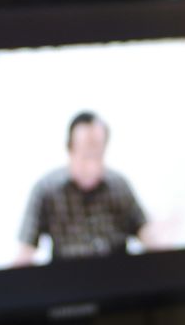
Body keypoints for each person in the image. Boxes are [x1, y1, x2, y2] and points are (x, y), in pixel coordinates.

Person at [15, 111, 160, 264]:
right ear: (70, 149)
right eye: (85, 155)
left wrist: (158, 236)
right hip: (68, 278)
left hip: (118, 276)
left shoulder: (119, 186)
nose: (91, 165)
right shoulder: (46, 189)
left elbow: (145, 233)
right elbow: (26, 251)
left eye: (97, 154)